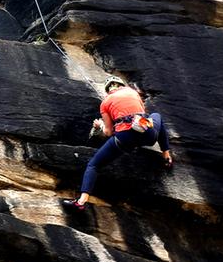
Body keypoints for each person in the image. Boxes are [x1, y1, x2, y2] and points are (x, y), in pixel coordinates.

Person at [62, 77, 172, 210]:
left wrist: (100, 125)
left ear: (108, 90)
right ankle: (166, 155)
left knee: (94, 164)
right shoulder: (132, 92)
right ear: (121, 85)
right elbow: (142, 114)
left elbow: (108, 132)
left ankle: (81, 202)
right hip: (147, 134)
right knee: (156, 116)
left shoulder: (105, 102)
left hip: (125, 139)